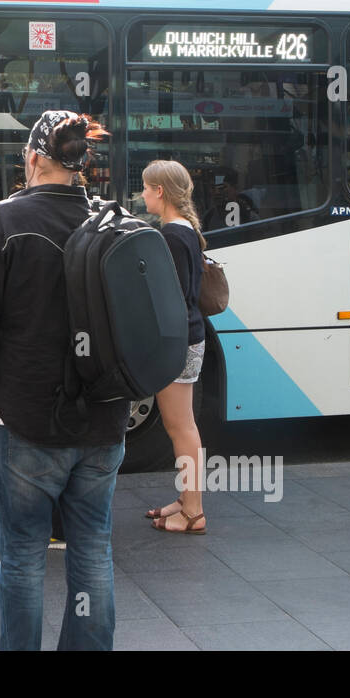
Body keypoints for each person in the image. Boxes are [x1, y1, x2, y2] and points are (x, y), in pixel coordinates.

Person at [0, 110, 124, 651]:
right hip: (104, 417)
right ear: (80, 161)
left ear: (34, 157)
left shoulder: (0, 222)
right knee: (93, 548)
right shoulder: (115, 220)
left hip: (26, 418)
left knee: (22, 555)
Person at [140, 160, 209, 535]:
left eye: (147, 188)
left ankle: (194, 511)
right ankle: (186, 500)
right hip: (190, 338)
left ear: (161, 192)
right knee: (182, 425)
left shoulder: (171, 236)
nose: (143, 195)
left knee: (181, 427)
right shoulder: (185, 231)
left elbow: (174, 299)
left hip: (179, 342)